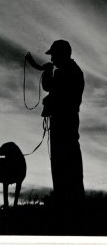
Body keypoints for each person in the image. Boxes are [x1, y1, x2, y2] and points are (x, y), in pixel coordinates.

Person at [27, 40, 85, 209]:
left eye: (53, 54)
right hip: (67, 124)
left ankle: (67, 207)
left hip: (64, 126)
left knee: (63, 165)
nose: (52, 58)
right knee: (67, 165)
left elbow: (48, 86)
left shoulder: (66, 72)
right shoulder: (73, 71)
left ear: (62, 54)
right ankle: (71, 204)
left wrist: (47, 71)